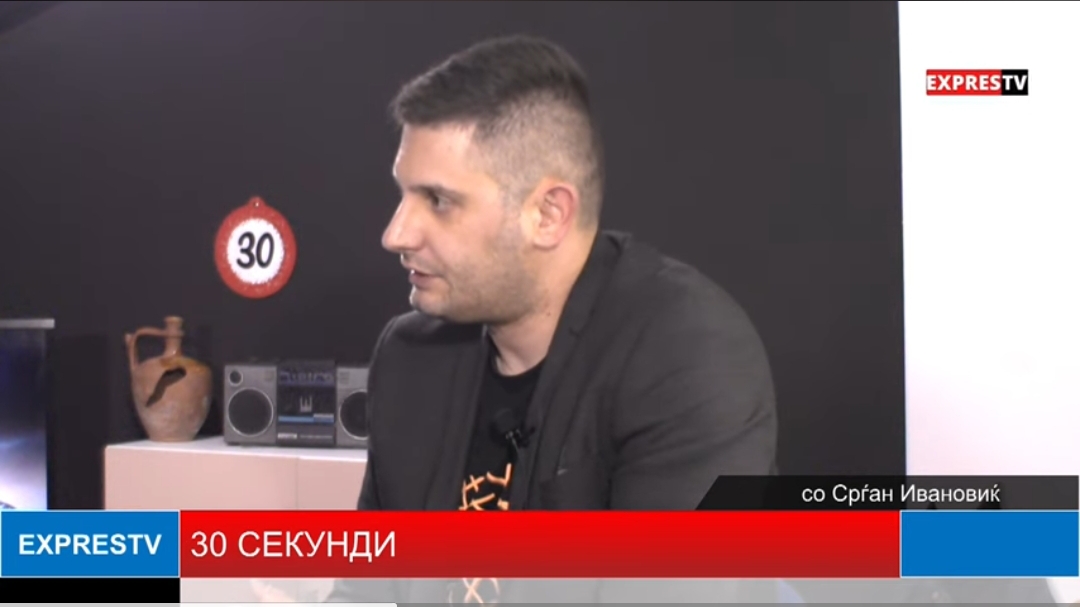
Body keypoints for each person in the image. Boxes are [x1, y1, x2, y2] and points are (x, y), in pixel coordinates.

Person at [326, 34, 778, 603]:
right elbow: (365, 590)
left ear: (547, 214)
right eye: (403, 195)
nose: (396, 234)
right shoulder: (410, 356)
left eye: (438, 201)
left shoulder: (689, 357)